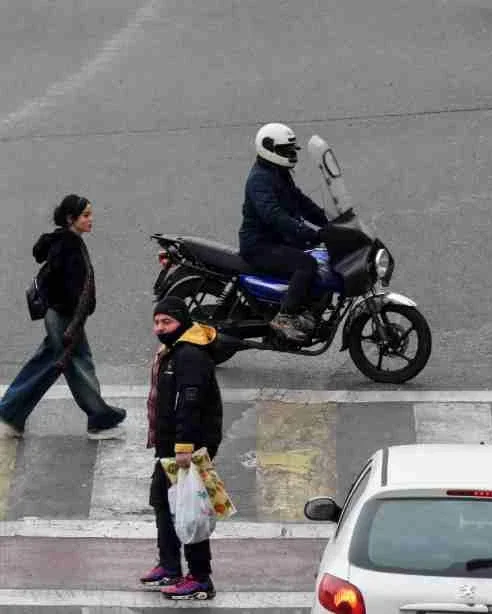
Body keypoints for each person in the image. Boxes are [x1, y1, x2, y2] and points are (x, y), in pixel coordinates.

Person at [0, 195, 125, 440]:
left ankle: (10, 415)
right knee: (78, 366)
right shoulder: (69, 246)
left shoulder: (63, 240)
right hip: (66, 317)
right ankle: (99, 420)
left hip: (60, 315)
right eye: (86, 215)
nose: (91, 220)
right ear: (71, 219)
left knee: (49, 362)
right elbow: (70, 289)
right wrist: (75, 321)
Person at [141, 297, 224, 599]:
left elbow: (190, 403)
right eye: (157, 322)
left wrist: (185, 446)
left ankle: (200, 578)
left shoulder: (190, 355)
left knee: (192, 511)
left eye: (167, 322)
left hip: (187, 448)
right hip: (168, 445)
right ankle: (169, 565)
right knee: (162, 503)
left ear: (181, 323)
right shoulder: (174, 350)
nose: (160, 328)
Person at [239, 123, 331, 343]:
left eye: (291, 150)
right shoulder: (259, 179)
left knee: (325, 260)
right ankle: (285, 317)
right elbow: (274, 215)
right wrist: (309, 233)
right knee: (306, 264)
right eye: (285, 150)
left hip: (277, 240)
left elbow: (300, 201)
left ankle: (307, 310)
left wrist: (328, 221)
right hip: (259, 245)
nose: (290, 154)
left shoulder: (278, 173)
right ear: (269, 149)